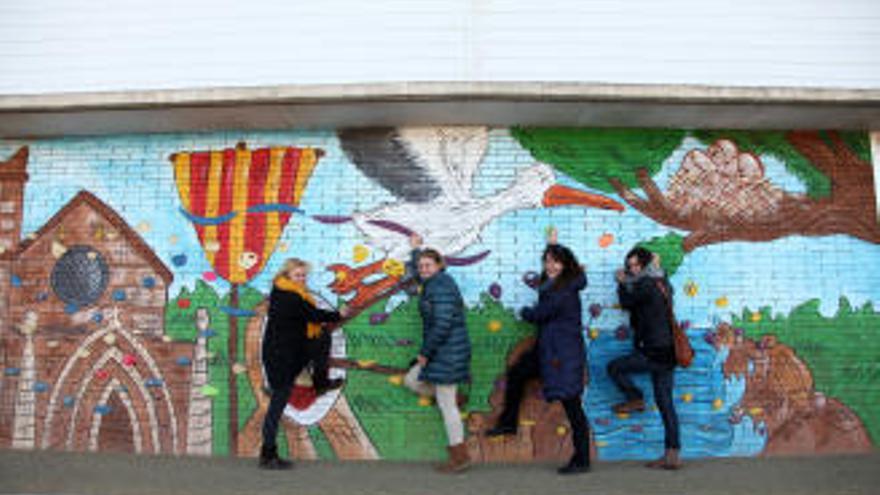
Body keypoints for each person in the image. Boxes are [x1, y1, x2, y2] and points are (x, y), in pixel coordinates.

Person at [486, 228, 591, 475]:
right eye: (547, 261)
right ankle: (508, 423)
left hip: (562, 356)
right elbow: (545, 287)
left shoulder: (562, 291)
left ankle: (582, 458)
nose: (550, 266)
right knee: (518, 373)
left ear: (566, 265)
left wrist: (525, 312)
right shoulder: (556, 284)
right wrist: (552, 244)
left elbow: (539, 314)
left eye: (555, 262)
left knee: (572, 406)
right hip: (549, 350)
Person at [259, 258, 348, 470]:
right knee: (277, 405)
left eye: (304, 275)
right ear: (287, 275)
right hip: (281, 358)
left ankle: (320, 382)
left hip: (291, 352)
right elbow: (312, 315)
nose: (302, 279)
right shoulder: (289, 296)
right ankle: (268, 454)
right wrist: (338, 314)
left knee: (322, 339)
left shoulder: (289, 292)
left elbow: (307, 318)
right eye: (298, 275)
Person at [608, 246, 682, 470]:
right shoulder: (661, 281)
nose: (633, 269)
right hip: (667, 350)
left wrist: (621, 282)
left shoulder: (646, 284)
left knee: (614, 368)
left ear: (646, 264)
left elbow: (628, 302)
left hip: (654, 351)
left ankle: (636, 398)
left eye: (637, 265)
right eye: (630, 266)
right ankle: (672, 455)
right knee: (665, 403)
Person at [404, 234, 472, 473]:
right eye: (420, 266)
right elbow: (418, 272)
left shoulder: (440, 285)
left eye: (427, 265)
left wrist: (425, 352)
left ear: (439, 266)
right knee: (412, 380)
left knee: (446, 407)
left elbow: (442, 324)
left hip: (446, 352)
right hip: (446, 351)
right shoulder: (434, 282)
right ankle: (455, 399)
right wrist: (416, 251)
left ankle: (459, 456)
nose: (422, 269)